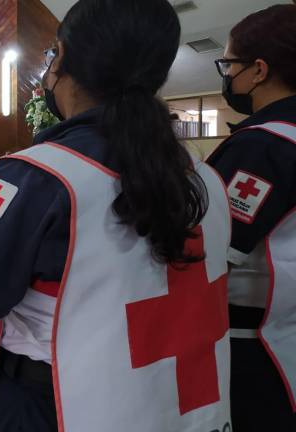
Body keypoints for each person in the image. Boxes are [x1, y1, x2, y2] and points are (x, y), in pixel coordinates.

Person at [0, 0, 232, 431]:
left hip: (55, 406)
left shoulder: (36, 177)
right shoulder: (205, 180)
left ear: (62, 57)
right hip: (179, 404)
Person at [205, 4, 296, 430]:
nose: (227, 76)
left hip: (256, 348)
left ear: (258, 70)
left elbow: (205, 253)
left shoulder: (263, 146)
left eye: (229, 64)